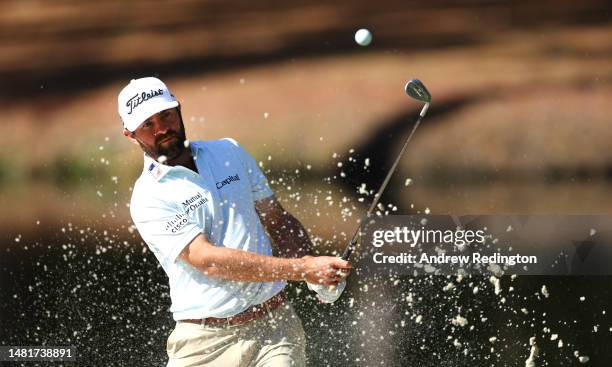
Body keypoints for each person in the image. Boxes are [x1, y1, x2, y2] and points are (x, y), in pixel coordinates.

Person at [118, 77, 351, 367]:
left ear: (178, 110)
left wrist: (313, 270)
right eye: (148, 125)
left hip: (274, 331)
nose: (162, 129)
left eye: (165, 115)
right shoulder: (148, 197)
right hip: (204, 344)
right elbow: (208, 260)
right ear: (130, 135)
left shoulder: (228, 152)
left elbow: (277, 219)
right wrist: (301, 269)